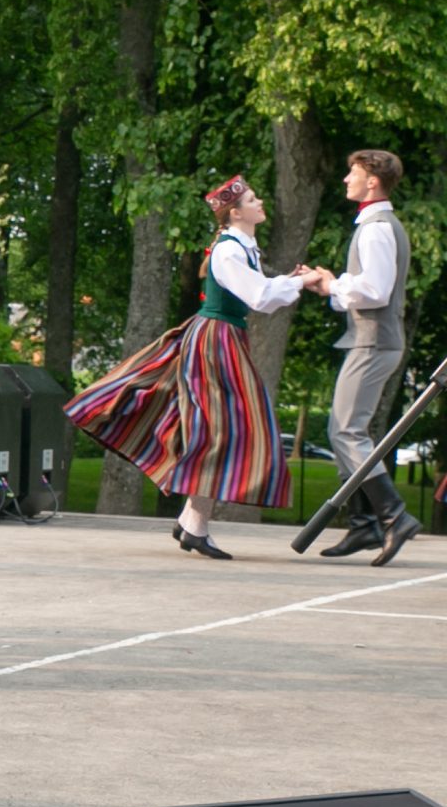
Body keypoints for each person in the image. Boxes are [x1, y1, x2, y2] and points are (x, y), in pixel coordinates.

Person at [65, 176, 304, 559]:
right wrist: (300, 283)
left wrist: (293, 282)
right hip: (216, 342)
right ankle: (193, 523)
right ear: (235, 213)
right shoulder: (229, 251)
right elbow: (259, 297)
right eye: (252, 199)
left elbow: (261, 294)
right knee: (223, 431)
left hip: (224, 339)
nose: (260, 203)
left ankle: (192, 521)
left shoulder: (241, 248)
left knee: (221, 431)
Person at [300, 149, 420, 566]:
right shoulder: (376, 225)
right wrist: (331, 286)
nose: (345, 179)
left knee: (346, 431)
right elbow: (366, 290)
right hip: (372, 339)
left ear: (372, 181)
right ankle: (364, 523)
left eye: (352, 173)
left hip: (374, 342)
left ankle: (393, 516)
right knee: (344, 431)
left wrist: (333, 285)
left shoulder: (376, 229)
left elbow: (375, 291)